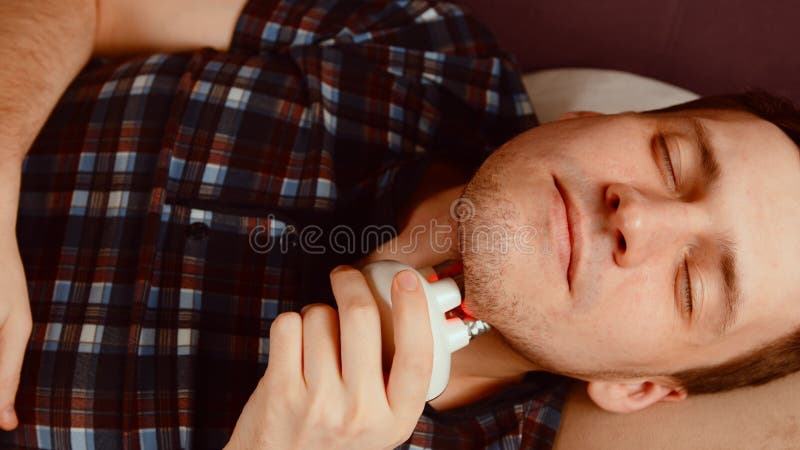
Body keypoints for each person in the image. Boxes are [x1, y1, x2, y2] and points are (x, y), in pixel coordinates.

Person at [1, 1, 799, 449]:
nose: (641, 218)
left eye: (694, 282)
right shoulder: (421, 46)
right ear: (602, 116)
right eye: (670, 159)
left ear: (638, 389)